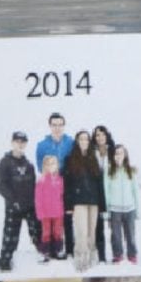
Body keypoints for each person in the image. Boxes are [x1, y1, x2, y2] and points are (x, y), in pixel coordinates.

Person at [0, 130, 41, 271]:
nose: (20, 144)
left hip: (30, 206)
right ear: (12, 143)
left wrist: (35, 202)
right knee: (10, 236)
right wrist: (13, 200)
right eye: (17, 142)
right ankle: (5, 260)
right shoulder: (5, 162)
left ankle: (43, 254)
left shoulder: (29, 165)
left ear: (25, 144)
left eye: (23, 142)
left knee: (37, 232)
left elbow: (33, 185)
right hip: (13, 206)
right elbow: (1, 185)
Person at [36, 112, 75, 255]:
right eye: (54, 125)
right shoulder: (42, 145)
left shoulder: (70, 142)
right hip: (49, 182)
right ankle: (46, 249)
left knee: (65, 218)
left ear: (63, 126)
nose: (57, 128)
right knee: (47, 223)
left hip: (66, 181)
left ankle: (65, 247)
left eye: (60, 125)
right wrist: (50, 173)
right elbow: (40, 165)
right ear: (50, 126)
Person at [63, 130, 102, 272]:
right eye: (81, 139)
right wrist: (68, 204)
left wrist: (101, 204)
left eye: (86, 139)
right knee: (81, 232)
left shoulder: (93, 159)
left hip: (93, 201)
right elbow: (67, 184)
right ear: (77, 141)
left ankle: (92, 258)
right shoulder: (70, 159)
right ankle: (80, 260)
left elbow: (99, 183)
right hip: (78, 201)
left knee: (92, 231)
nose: (84, 141)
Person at [104, 143, 139, 264]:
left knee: (130, 234)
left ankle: (132, 254)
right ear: (113, 156)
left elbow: (135, 192)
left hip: (129, 209)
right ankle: (117, 254)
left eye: (121, 153)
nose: (118, 155)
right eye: (116, 153)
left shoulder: (131, 171)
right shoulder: (109, 171)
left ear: (125, 155)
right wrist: (107, 211)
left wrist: (137, 210)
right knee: (116, 236)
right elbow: (106, 192)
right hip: (115, 210)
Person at [34, 153, 66, 262]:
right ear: (44, 166)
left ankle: (57, 250)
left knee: (57, 232)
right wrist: (40, 213)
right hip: (45, 213)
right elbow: (38, 199)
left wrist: (63, 209)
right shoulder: (41, 181)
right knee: (46, 233)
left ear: (57, 165)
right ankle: (46, 252)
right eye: (48, 164)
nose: (50, 166)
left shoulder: (60, 180)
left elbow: (62, 196)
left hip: (58, 212)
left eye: (53, 164)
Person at [91, 124, 115, 262]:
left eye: (102, 134)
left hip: (111, 194)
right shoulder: (91, 152)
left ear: (107, 136)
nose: (100, 137)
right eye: (97, 135)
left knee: (114, 228)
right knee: (98, 227)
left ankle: (116, 255)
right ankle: (101, 256)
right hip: (97, 195)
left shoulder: (113, 151)